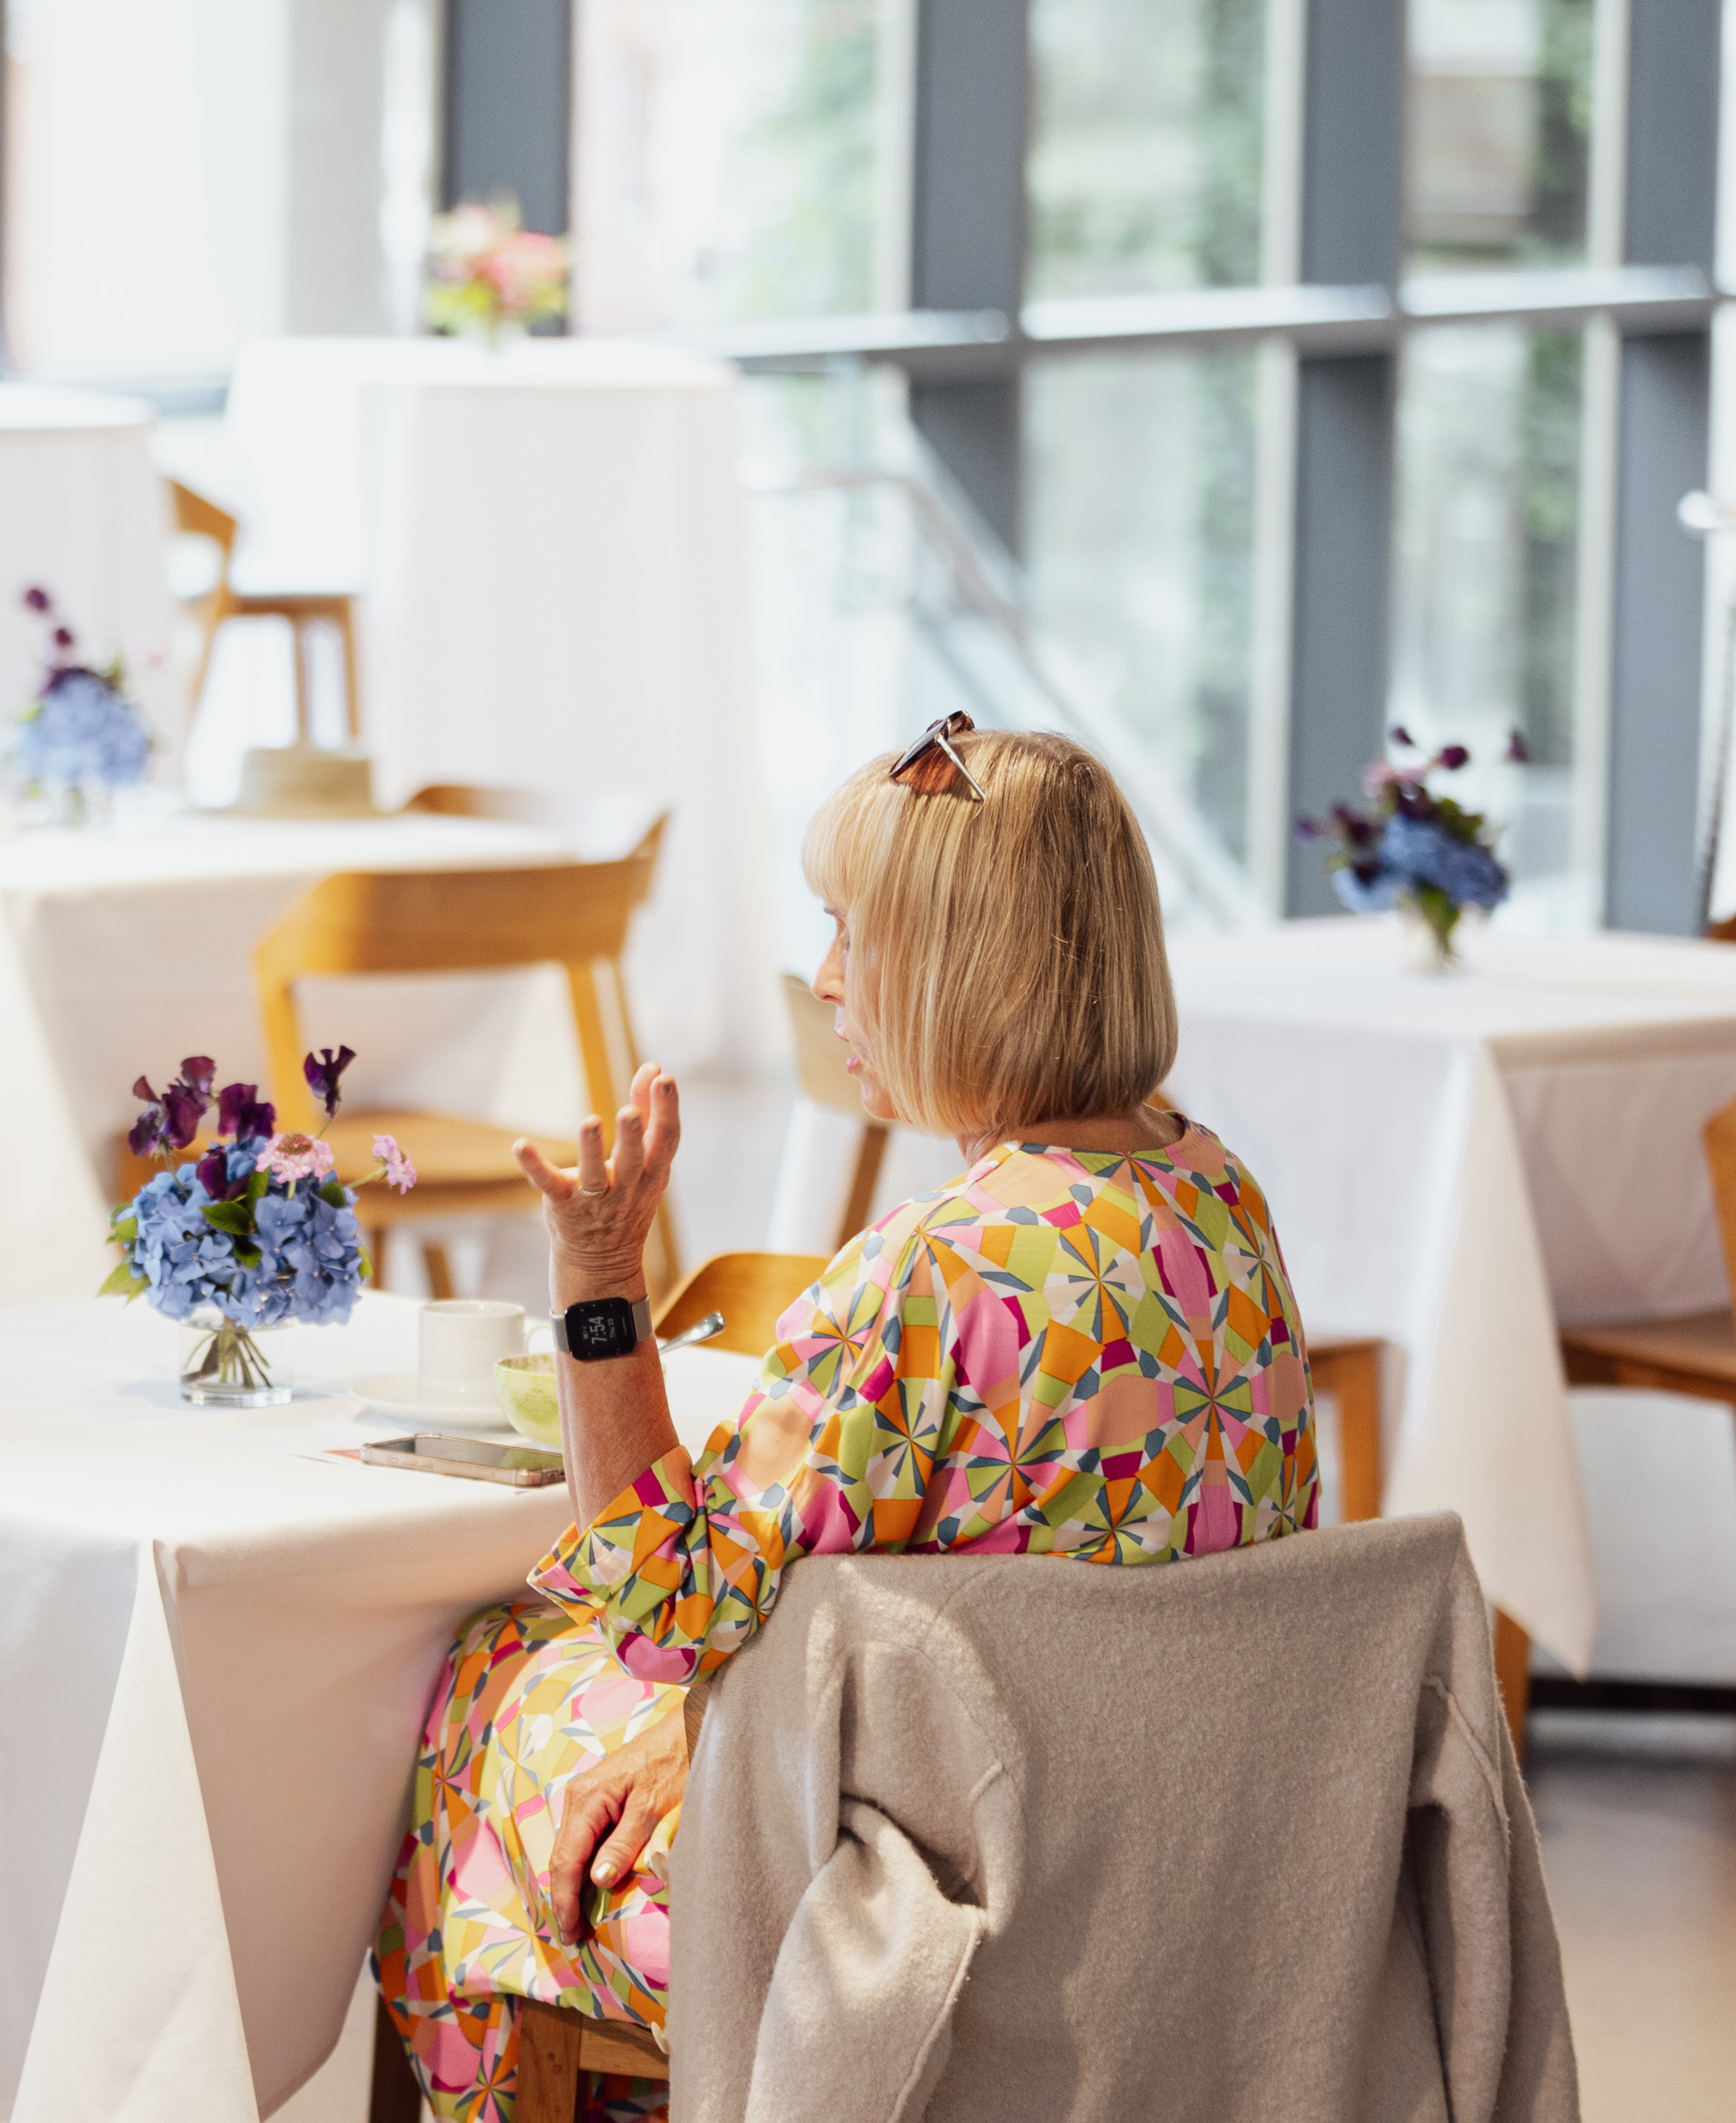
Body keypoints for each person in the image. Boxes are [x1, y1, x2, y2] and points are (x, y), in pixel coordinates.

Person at [375, 719, 1320, 2122]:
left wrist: (600, 1287)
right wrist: (710, 1724)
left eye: (850, 936)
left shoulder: (933, 1275)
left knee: (489, 1681)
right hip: (1186, 1882)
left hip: (939, 1926)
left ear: (961, 967)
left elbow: (670, 1607)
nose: (824, 984)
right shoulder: (1219, 1200)